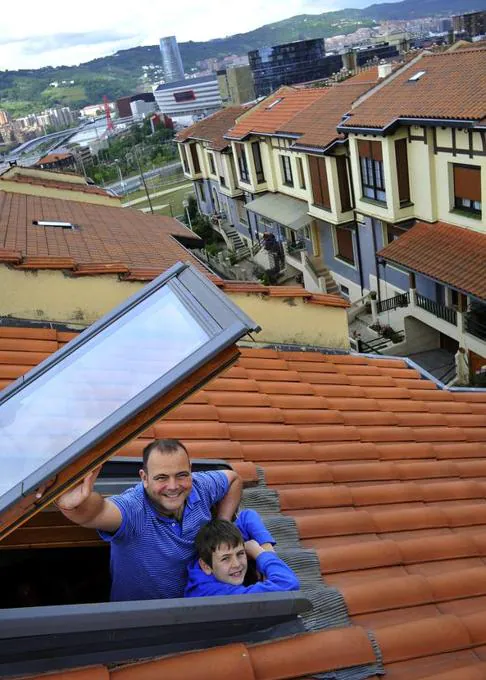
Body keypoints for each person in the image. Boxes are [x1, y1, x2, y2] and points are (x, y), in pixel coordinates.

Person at [56, 438, 242, 601]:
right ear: (144, 478)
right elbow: (96, 513)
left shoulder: (201, 486)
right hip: (140, 620)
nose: (173, 486)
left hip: (191, 605)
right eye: (161, 478)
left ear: (190, 471)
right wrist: (74, 505)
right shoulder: (133, 508)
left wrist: (222, 525)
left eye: (181, 475)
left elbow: (233, 479)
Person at [184, 514, 299, 597]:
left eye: (240, 554)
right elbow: (288, 583)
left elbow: (247, 516)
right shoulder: (213, 593)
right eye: (225, 558)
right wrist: (261, 554)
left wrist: (267, 547)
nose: (237, 564)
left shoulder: (213, 551)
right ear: (206, 566)